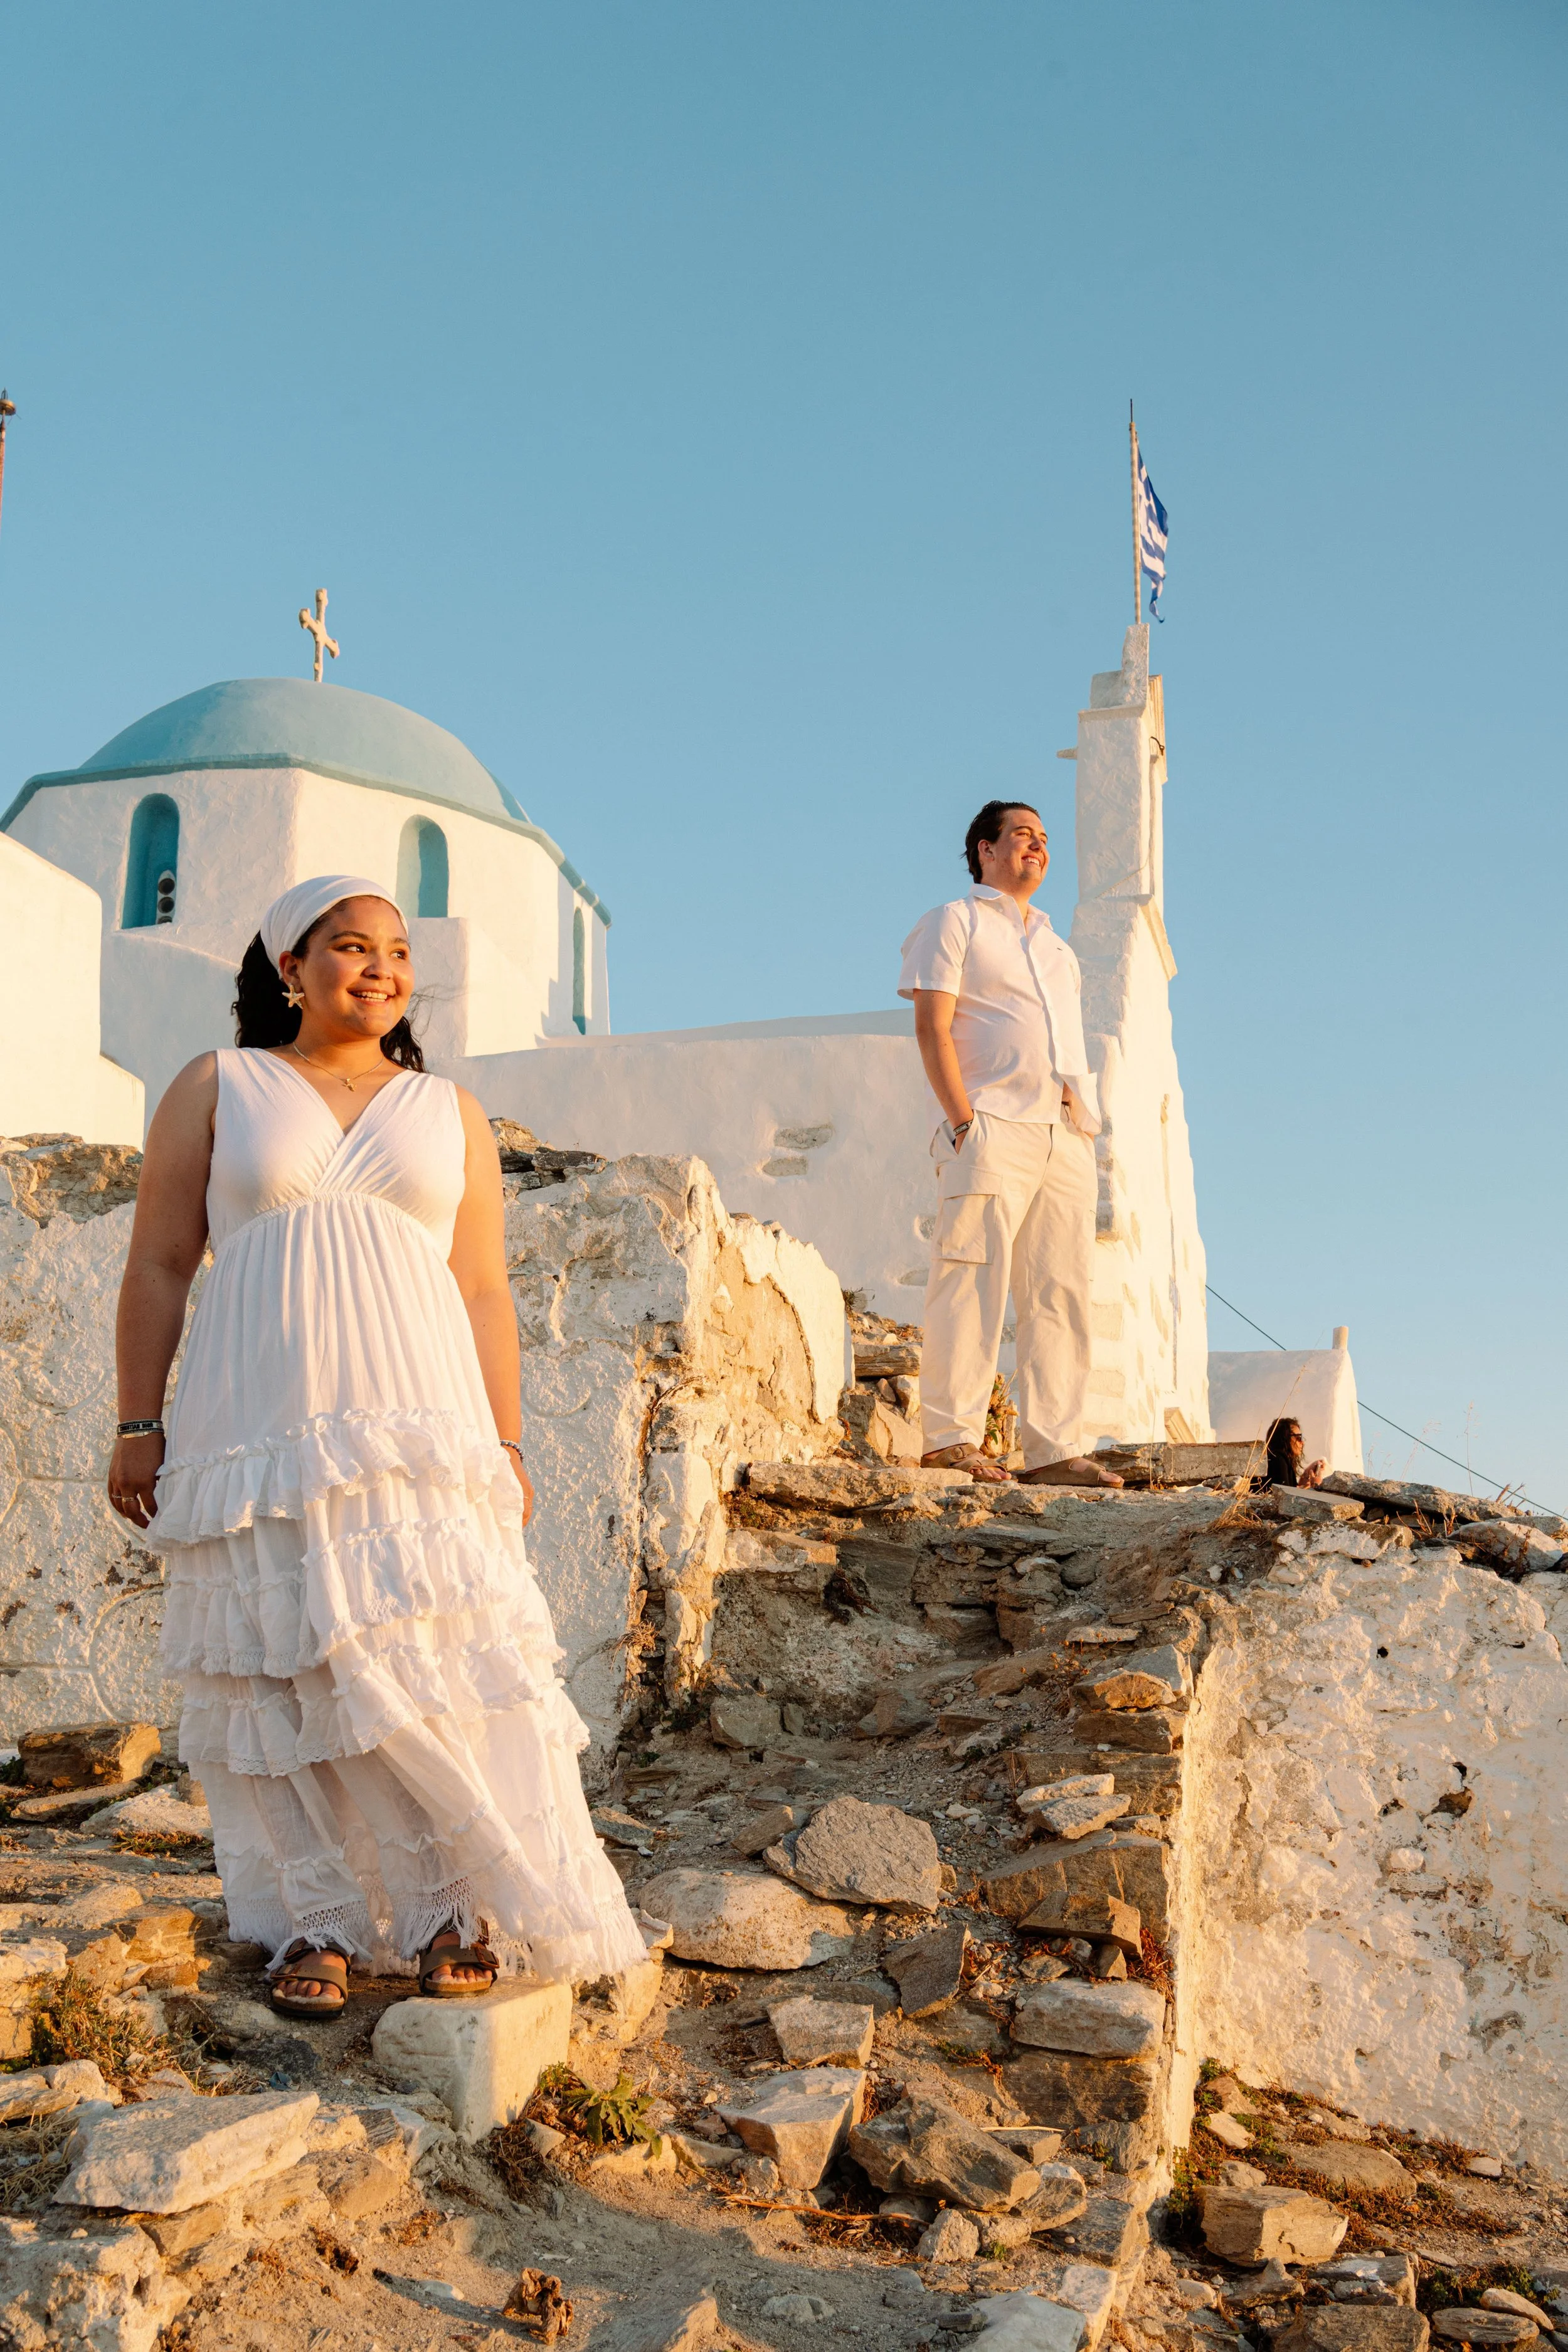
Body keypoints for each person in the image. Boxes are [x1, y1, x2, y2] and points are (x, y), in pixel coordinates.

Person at [107, 875, 645, 2019]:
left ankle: (459, 1902)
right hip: (254, 1418)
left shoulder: (447, 1111)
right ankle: (321, 1919)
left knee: (428, 1653)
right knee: (287, 1659)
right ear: (289, 968)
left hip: (418, 1421)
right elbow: (158, 1260)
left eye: (398, 952)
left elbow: (485, 1289)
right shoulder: (222, 1084)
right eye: (350, 947)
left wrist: (504, 1443)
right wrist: (136, 1422)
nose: (381, 970)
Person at [899, 802, 1122, 1490]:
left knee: (1060, 1292)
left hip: (1064, 1130)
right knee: (971, 1277)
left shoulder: (1059, 950)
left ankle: (1055, 1449)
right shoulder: (953, 921)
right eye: (1023, 834)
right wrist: (964, 1120)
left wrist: (1082, 1124)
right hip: (992, 1122)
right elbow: (932, 1027)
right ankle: (950, 1439)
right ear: (984, 849)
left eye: (1045, 839)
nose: (1038, 847)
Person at [1264, 1417, 1326, 1490]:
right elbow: (1286, 1494)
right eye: (1299, 1437)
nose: (1302, 1442)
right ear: (1285, 1437)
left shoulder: (1278, 1458)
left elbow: (1293, 1489)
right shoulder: (1278, 1458)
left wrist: (1307, 1473)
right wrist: (1316, 1485)